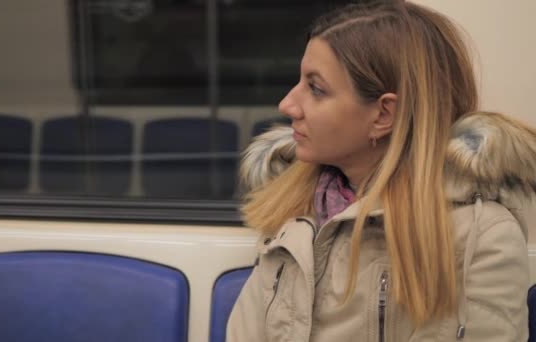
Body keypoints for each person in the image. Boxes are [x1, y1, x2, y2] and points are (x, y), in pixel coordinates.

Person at [226, 1, 536, 341]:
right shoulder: (293, 209)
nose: (287, 104)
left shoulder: (480, 236)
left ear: (384, 115)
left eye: (316, 88)